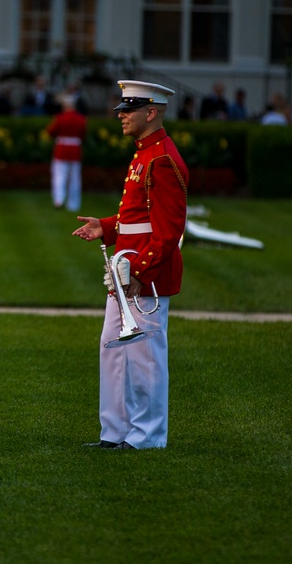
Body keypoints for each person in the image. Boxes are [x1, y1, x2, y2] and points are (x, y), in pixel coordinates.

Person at [72, 80, 188, 450]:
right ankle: (116, 433)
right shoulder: (145, 154)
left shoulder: (162, 159)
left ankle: (146, 437)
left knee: (143, 360)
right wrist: (105, 227)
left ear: (151, 112)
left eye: (129, 110)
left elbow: (168, 232)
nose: (121, 116)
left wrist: (141, 274)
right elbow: (137, 217)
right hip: (128, 273)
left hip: (143, 278)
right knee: (114, 352)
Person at [46, 93, 87, 212]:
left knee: (59, 176)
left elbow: (51, 131)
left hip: (62, 149)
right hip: (75, 150)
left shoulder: (60, 118)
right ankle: (73, 204)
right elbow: (82, 135)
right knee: (74, 179)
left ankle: (59, 200)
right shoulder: (81, 119)